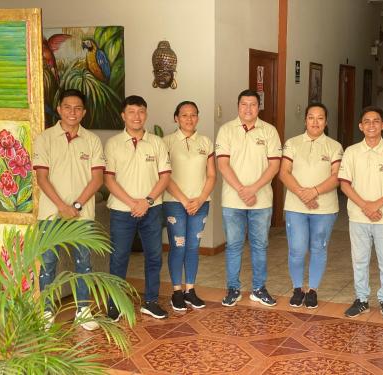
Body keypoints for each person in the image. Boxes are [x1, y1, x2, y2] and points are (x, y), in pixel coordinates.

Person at [33, 89, 105, 331]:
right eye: (67, 107)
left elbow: (97, 179)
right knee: (48, 263)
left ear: (84, 112)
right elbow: (42, 178)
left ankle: (83, 310)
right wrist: (62, 206)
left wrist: (75, 206)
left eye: (77, 108)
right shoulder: (44, 138)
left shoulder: (92, 140)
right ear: (59, 109)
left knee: (83, 263)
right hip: (50, 214)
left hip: (82, 215)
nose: (72, 112)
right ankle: (46, 312)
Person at [104, 95, 171, 321]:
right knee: (119, 258)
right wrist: (133, 203)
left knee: (154, 257)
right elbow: (109, 180)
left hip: (151, 210)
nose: (136, 116)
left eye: (141, 111)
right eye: (131, 112)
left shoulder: (157, 143)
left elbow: (165, 177)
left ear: (146, 114)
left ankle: (151, 301)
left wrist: (147, 201)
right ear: (123, 115)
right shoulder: (113, 144)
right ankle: (115, 304)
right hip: (122, 211)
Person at [338, 106, 383, 322]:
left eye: (376, 121)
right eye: (366, 121)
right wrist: (365, 206)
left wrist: (376, 205)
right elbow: (344, 184)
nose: (371, 125)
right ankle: (361, 300)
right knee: (359, 260)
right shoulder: (351, 152)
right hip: (358, 216)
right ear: (360, 126)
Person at [216, 89, 282, 307]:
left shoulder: (270, 131)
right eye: (244, 104)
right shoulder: (226, 130)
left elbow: (274, 166)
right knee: (233, 246)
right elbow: (222, 165)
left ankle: (258, 288)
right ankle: (233, 288)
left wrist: (252, 189)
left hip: (261, 201)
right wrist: (242, 190)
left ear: (258, 107)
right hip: (232, 201)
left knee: (260, 245)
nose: (248, 109)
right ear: (238, 106)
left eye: (253, 104)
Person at [279, 103, 342, 308]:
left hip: (324, 208)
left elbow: (336, 177)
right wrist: (302, 195)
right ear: (305, 120)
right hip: (296, 207)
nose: (315, 122)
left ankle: (312, 290)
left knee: (318, 248)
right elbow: (284, 172)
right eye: (311, 117)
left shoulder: (334, 146)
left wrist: (313, 192)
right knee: (296, 249)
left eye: (320, 118)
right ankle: (298, 288)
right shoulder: (292, 143)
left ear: (326, 121)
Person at [163, 101, 216, 311]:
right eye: (184, 115)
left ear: (198, 118)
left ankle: (190, 290)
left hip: (200, 203)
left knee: (193, 247)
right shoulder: (165, 142)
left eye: (193, 114)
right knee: (179, 245)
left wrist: (201, 198)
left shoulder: (205, 142)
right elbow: (164, 176)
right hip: (175, 203)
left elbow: (212, 175)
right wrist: (185, 200)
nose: (189, 118)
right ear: (176, 118)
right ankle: (176, 291)